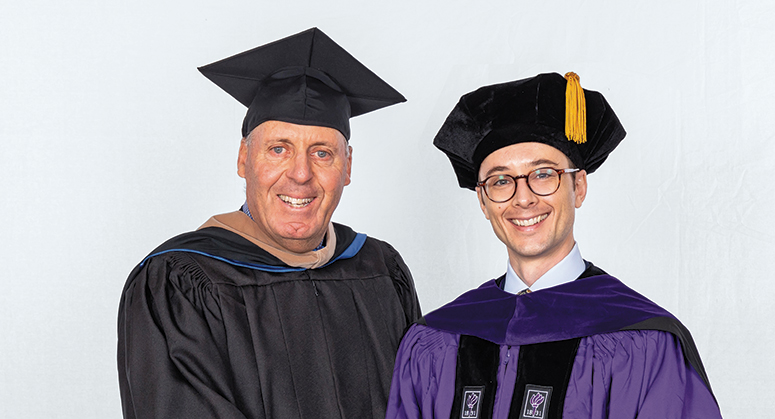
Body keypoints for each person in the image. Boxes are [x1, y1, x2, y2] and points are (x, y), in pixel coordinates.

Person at [117, 28, 421, 419]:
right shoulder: (179, 281)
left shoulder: (380, 269)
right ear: (244, 159)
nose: (300, 174)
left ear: (347, 167)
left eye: (322, 153)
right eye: (279, 149)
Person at [385, 73, 721, 418]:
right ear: (484, 202)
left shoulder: (644, 340)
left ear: (579, 187)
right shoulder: (436, 339)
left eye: (543, 174)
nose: (524, 198)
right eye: (501, 181)